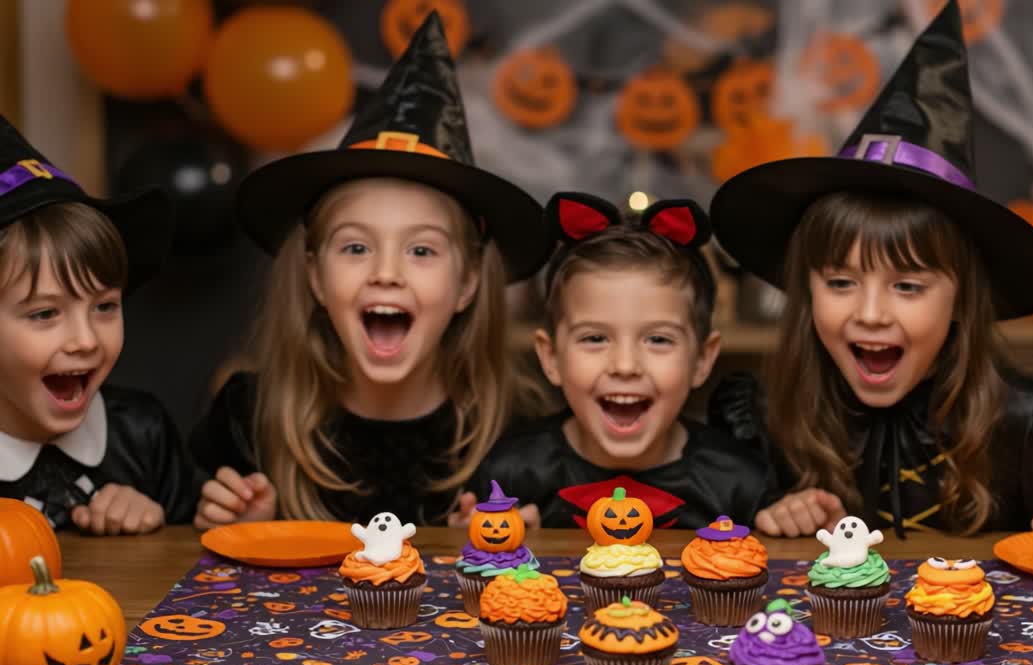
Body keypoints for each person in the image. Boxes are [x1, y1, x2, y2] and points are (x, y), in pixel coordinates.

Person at [709, 0, 1033, 538]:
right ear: (805, 288)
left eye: (907, 286)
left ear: (960, 299)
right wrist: (773, 524)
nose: (870, 314)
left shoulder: (1031, 425)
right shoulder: (762, 420)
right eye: (840, 282)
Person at [190, 13, 551, 527]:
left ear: (468, 282)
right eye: (356, 248)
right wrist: (243, 533)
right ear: (315, 277)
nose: (386, 272)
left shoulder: (521, 436)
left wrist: (509, 547)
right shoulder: (249, 421)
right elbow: (177, 549)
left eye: (421, 251)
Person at [454, 192, 773, 529]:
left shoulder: (742, 483)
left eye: (658, 339)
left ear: (701, 360)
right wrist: (478, 537)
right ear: (551, 357)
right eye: (595, 338)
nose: (624, 365)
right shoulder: (509, 474)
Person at [0, 113, 195, 533]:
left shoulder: (143, 433)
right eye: (45, 313)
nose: (86, 340)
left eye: (104, 307)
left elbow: (200, 567)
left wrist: (154, 523)